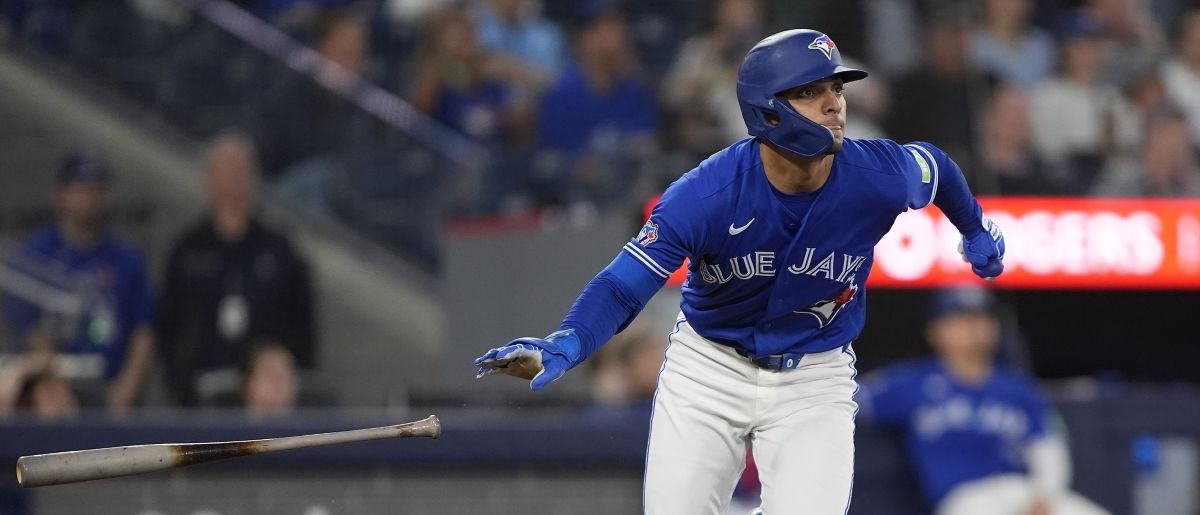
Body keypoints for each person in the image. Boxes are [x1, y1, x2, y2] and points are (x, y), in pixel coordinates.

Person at [475, 29, 1006, 514]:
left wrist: (975, 230)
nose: (834, 104)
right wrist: (569, 341)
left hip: (814, 373)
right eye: (809, 92)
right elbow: (624, 283)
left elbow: (936, 168)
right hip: (710, 368)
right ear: (767, 111)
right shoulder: (706, 194)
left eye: (836, 89)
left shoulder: (876, 173)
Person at [856, 287, 1110, 515]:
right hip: (965, 498)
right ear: (936, 330)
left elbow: (1049, 447)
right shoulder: (912, 382)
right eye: (962, 319)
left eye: (982, 318)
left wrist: (1044, 495)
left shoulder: (1018, 387)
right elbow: (851, 400)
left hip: (1022, 492)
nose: (975, 328)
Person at [157, 132, 315, 406]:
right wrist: (178, 385)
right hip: (200, 395)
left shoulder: (278, 248)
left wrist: (288, 377)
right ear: (208, 178)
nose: (235, 179)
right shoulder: (187, 249)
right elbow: (166, 324)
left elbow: (303, 324)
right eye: (226, 170)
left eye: (242, 170)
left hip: (267, 401)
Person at [2, 151, 156, 414]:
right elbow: (25, 326)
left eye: (97, 190)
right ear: (61, 195)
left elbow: (143, 330)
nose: (91, 198)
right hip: (55, 389)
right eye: (82, 190)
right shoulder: (36, 255)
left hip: (110, 386)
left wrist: (126, 389)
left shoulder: (126, 258)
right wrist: (49, 375)